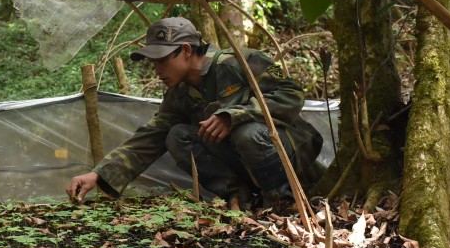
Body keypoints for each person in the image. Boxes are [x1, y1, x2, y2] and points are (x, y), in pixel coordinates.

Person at [66, 17, 322, 210]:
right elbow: (151, 136)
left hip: (293, 156)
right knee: (177, 135)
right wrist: (98, 173)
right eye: (153, 62)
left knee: (247, 131)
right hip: (249, 166)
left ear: (186, 50)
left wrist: (236, 115)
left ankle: (282, 204)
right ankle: (242, 201)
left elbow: (291, 95)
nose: (156, 69)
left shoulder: (237, 64)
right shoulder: (179, 93)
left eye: (162, 60)